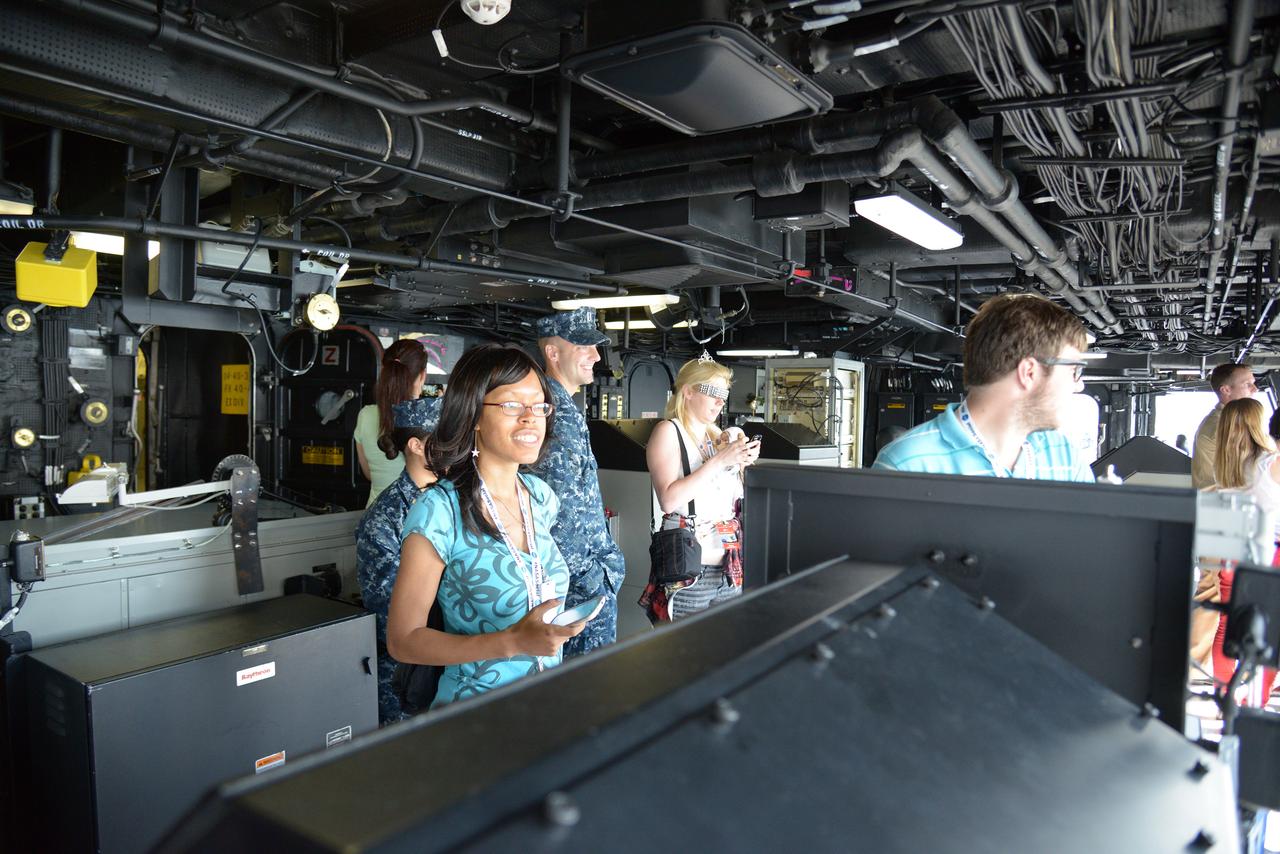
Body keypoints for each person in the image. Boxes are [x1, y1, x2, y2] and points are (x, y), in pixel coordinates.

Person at [386, 344, 587, 708]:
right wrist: (513, 641)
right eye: (511, 405)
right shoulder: (439, 510)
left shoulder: (540, 498)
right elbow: (403, 640)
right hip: (474, 715)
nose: (530, 418)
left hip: (543, 704)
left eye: (539, 405)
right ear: (475, 414)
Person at [873, 293, 1093, 482]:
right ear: (1029, 373)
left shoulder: (1065, 457)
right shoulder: (906, 465)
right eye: (1074, 370)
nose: (1078, 384)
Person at [530, 308, 626, 656]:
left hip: (580, 586)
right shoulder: (552, 412)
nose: (596, 356)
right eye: (584, 346)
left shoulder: (561, 407)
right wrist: (594, 578)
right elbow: (560, 513)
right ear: (552, 353)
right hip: (576, 594)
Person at [641, 356, 760, 622]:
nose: (720, 401)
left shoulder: (717, 436)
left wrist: (742, 462)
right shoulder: (668, 432)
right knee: (686, 654)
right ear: (688, 391)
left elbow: (733, 499)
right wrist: (721, 461)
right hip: (692, 569)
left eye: (724, 394)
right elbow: (669, 500)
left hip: (729, 565)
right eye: (713, 392)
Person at [355, 397, 441, 724]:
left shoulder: (460, 499)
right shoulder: (384, 520)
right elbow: (390, 613)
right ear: (417, 445)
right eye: (445, 437)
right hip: (408, 679)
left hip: (457, 665)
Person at [1206, 397, 1278, 704]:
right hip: (1266, 550)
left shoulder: (1229, 464)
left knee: (1229, 626)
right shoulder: (1269, 461)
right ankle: (1256, 702)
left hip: (1231, 548)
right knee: (1269, 631)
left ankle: (1227, 697)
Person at [354, 339, 429, 508]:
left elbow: (368, 473)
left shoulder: (365, 415)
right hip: (417, 522)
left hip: (374, 517)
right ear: (422, 375)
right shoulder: (432, 420)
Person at [1191, 362, 1257, 490]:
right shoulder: (1224, 425)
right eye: (1247, 384)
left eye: (1253, 383)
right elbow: (1252, 468)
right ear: (1226, 390)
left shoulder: (1226, 420)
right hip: (1222, 503)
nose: (1255, 389)